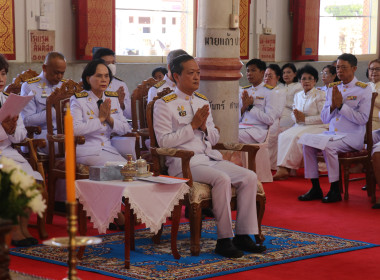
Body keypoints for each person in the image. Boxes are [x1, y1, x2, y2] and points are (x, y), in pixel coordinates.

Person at [153, 54, 266, 258]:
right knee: (221, 179)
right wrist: (192, 126)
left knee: (248, 177)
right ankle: (224, 240)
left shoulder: (202, 101)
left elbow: (214, 137)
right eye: (191, 73)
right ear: (176, 76)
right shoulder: (164, 104)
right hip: (184, 162)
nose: (196, 77)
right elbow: (163, 142)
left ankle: (243, 235)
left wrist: (204, 127)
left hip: (208, 158)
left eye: (198, 73)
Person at [299, 53, 371, 203]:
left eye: (344, 68)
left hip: (352, 136)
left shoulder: (363, 89)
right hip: (332, 133)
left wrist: (341, 106)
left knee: (329, 147)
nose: (339, 71)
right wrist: (332, 105)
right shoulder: (333, 88)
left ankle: (334, 189)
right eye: (337, 68)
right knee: (307, 143)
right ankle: (315, 188)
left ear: (354, 68)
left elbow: (363, 119)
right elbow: (325, 118)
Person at [71, 60, 133, 229]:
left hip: (108, 148)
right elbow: (75, 130)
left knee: (130, 170)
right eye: (98, 76)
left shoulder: (111, 98)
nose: (103, 80)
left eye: (106, 76)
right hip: (86, 149)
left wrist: (110, 119)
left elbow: (125, 127)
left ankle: (113, 211)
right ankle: (115, 213)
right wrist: (100, 120)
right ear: (88, 78)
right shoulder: (79, 100)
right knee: (120, 170)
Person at [0, 54, 43, 247]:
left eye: (3, 73)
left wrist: (11, 131)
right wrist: (4, 129)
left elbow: (21, 134)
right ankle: (15, 230)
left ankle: (24, 227)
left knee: (35, 183)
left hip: (8, 152)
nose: (1, 79)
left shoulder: (10, 99)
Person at [273, 65, 328, 180]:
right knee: (283, 135)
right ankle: (282, 167)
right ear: (300, 81)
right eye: (303, 78)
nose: (306, 81)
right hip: (300, 125)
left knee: (297, 137)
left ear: (315, 81)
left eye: (310, 78)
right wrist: (297, 118)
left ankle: (285, 168)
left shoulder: (320, 95)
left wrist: (305, 119)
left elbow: (324, 117)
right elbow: (294, 112)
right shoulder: (298, 95)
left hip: (319, 126)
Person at [20, 52, 67, 154]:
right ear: (44, 68)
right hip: (40, 134)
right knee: (67, 148)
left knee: (85, 146)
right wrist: (55, 111)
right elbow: (26, 121)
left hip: (64, 132)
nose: (59, 76)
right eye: (56, 72)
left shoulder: (65, 86)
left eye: (62, 73)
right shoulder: (29, 86)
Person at [239, 59, 281, 144]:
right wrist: (244, 107)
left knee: (230, 136)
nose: (249, 73)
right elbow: (237, 118)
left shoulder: (270, 92)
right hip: (241, 127)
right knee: (222, 133)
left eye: (253, 70)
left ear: (262, 72)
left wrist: (250, 107)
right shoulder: (244, 90)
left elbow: (270, 119)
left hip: (257, 131)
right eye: (247, 71)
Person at [93, 47, 132, 120]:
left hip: (118, 125)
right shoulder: (89, 82)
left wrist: (121, 104)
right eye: (107, 63)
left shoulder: (120, 84)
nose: (111, 66)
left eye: (113, 63)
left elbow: (130, 115)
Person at [279, 63, 303, 129]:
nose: (285, 75)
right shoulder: (279, 86)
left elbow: (298, 105)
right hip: (278, 112)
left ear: (295, 74)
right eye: (283, 73)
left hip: (290, 113)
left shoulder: (299, 86)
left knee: (279, 125)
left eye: (288, 72)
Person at [367, 58, 380, 130]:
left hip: (377, 122)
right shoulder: (364, 86)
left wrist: (368, 96)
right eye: (371, 69)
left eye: (378, 69)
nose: (374, 71)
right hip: (362, 121)